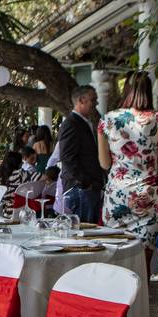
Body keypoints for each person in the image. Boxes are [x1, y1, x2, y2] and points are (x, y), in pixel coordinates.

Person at [98, 72, 158, 271]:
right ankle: (142, 300)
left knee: (116, 258)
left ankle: (119, 299)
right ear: (148, 90)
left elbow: (104, 163)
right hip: (150, 196)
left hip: (118, 196)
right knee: (144, 261)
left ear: (126, 90)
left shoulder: (108, 119)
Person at [58, 85, 105, 223]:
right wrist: (85, 182)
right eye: (93, 99)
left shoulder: (85, 122)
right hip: (80, 190)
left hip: (89, 189)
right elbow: (67, 157)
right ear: (81, 100)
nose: (96, 103)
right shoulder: (71, 123)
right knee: (82, 235)